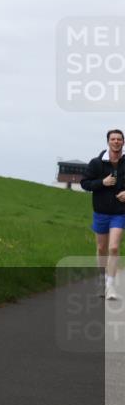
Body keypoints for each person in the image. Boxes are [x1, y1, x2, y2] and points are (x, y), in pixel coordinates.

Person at [80, 129, 125, 301]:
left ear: (123, 142)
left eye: (119, 139)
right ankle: (101, 280)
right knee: (101, 248)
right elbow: (84, 183)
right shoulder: (96, 163)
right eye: (113, 139)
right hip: (101, 211)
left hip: (120, 213)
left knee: (113, 247)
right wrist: (102, 182)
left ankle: (111, 285)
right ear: (108, 142)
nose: (116, 142)